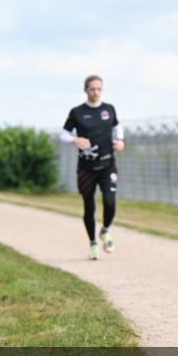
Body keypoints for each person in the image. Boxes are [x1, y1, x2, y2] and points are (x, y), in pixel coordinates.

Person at [60, 75, 124, 260]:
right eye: (92, 89)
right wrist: (75, 139)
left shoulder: (109, 109)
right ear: (86, 90)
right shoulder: (77, 112)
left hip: (107, 165)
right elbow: (63, 135)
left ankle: (104, 230)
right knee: (89, 209)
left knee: (110, 202)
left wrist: (120, 141)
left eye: (99, 89)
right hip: (86, 169)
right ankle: (93, 243)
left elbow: (117, 127)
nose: (96, 92)